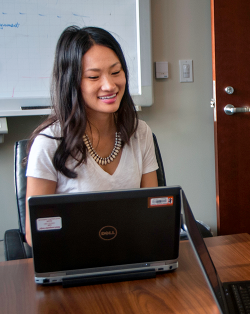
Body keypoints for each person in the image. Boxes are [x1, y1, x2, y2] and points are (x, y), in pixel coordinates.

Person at [24, 26, 158, 245]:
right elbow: (34, 234)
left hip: (131, 254)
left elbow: (154, 212)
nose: (110, 85)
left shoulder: (140, 132)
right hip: (73, 262)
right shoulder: (48, 144)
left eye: (116, 72)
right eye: (94, 76)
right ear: (72, 82)